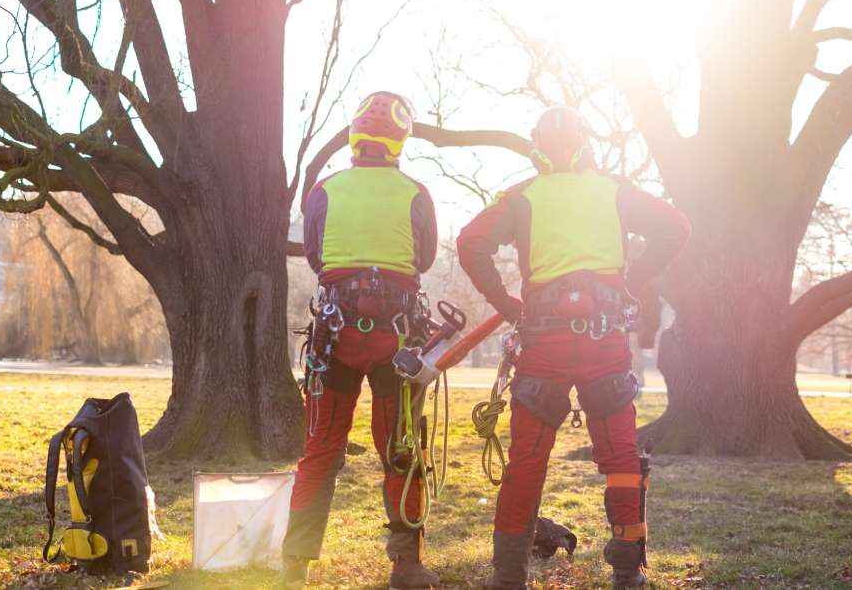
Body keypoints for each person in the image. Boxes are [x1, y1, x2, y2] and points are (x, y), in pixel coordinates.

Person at [457, 106, 691, 589]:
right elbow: (676, 228)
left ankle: (508, 575)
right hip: (603, 339)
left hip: (543, 341)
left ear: (536, 145)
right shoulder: (614, 190)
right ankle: (628, 569)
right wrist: (636, 279)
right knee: (622, 455)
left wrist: (506, 303)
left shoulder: (523, 196)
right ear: (585, 144)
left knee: (527, 457)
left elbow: (470, 242)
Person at [282, 92, 439, 589]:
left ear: (355, 138)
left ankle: (294, 565)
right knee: (400, 447)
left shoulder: (325, 189)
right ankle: (406, 565)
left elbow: (314, 254)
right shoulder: (415, 192)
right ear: (399, 140)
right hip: (397, 337)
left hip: (337, 334)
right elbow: (427, 258)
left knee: (322, 447)